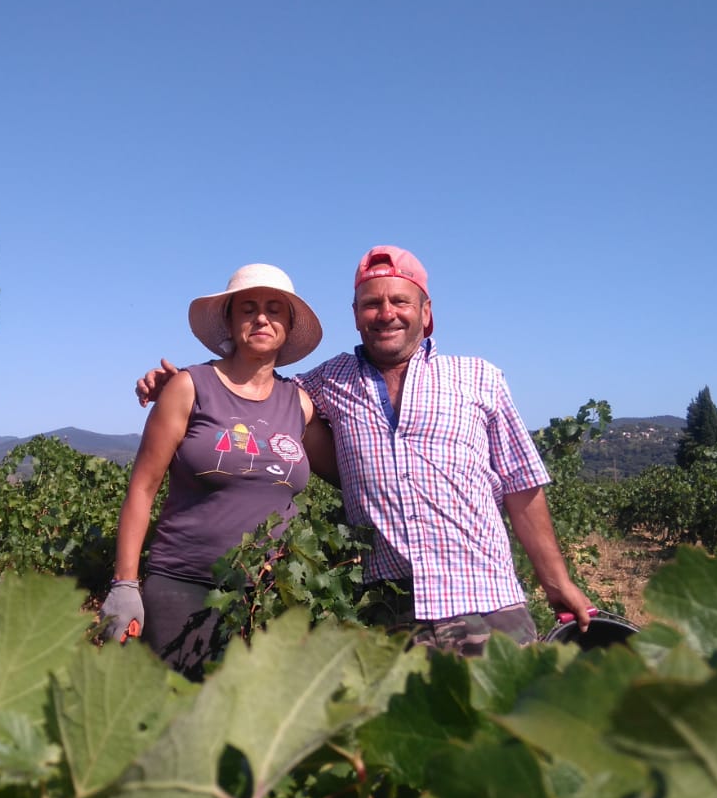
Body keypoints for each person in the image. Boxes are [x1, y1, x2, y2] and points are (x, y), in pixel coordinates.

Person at [138, 245, 592, 655]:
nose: (386, 313)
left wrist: (556, 582)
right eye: (372, 304)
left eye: (400, 301)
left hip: (488, 603)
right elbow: (250, 390)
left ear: (426, 312)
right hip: (387, 614)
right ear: (355, 315)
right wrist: (182, 386)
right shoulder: (325, 383)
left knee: (503, 739)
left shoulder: (480, 379)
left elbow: (521, 486)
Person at [103, 263, 327, 679]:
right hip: (184, 589)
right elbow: (142, 489)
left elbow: (351, 468)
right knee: (180, 726)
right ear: (230, 320)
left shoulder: (300, 403)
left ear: (288, 324)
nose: (261, 317)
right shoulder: (190, 387)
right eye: (248, 308)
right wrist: (125, 585)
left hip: (271, 596)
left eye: (274, 309)